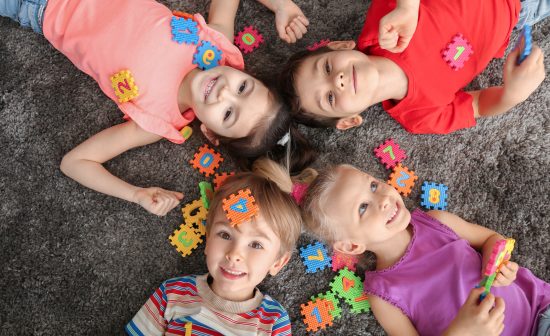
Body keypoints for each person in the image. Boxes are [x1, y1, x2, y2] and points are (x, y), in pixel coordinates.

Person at [0, 0, 312, 216]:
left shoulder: (156, 121)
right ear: (246, 73)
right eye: (243, 87)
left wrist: (135, 193)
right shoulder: (217, 45)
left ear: (211, 134)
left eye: (228, 114)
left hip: (40, 9)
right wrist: (280, 6)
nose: (225, 92)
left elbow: (75, 162)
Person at [298, 163, 550, 335]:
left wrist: (500, 263)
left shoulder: (437, 221)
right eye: (363, 208)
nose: (383, 199)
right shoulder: (383, 295)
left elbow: (492, 239)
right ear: (352, 245)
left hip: (539, 310)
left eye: (373, 186)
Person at [279, 0, 547, 133]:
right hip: (521, 9)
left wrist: (408, 7)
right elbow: (476, 105)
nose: (337, 80)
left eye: (326, 68)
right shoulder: (420, 116)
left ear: (339, 46)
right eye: (329, 97)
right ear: (349, 120)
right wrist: (513, 95)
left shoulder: (383, 25)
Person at [126, 158, 308, 335]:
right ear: (208, 239)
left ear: (277, 262)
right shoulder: (173, 293)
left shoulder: (273, 321)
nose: (234, 254)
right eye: (225, 235)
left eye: (256, 244)